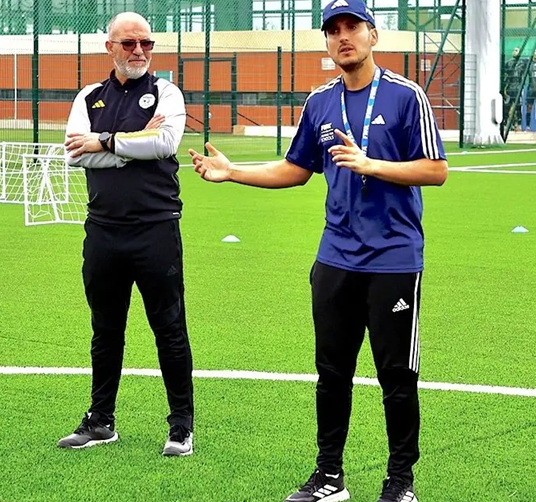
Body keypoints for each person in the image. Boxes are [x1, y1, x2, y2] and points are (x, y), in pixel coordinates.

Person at [188, 1, 447, 501]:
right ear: (326, 42)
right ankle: (329, 477)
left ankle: (400, 483)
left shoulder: (406, 96)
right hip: (335, 259)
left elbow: (435, 170)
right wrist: (233, 173)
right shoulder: (320, 101)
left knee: (396, 374)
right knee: (331, 373)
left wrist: (374, 165)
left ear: (373, 35)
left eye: (352, 27)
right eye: (333, 30)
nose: (342, 37)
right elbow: (297, 169)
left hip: (394, 259)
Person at [56, 11, 194, 457]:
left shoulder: (166, 92)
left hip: (156, 230)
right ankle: (100, 422)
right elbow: (76, 155)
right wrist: (125, 146)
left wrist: (106, 141)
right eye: (129, 43)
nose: (139, 51)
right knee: (105, 329)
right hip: (103, 232)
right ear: (109, 47)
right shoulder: (89, 96)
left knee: (169, 329)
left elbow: (166, 143)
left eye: (146, 44)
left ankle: (180, 427)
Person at [503, 47, 527, 131]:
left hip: (518, 88)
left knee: (518, 106)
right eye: (515, 50)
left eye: (517, 50)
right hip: (510, 87)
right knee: (507, 106)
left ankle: (518, 124)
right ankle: (506, 123)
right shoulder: (508, 63)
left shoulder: (523, 63)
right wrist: (505, 88)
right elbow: (504, 76)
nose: (515, 52)